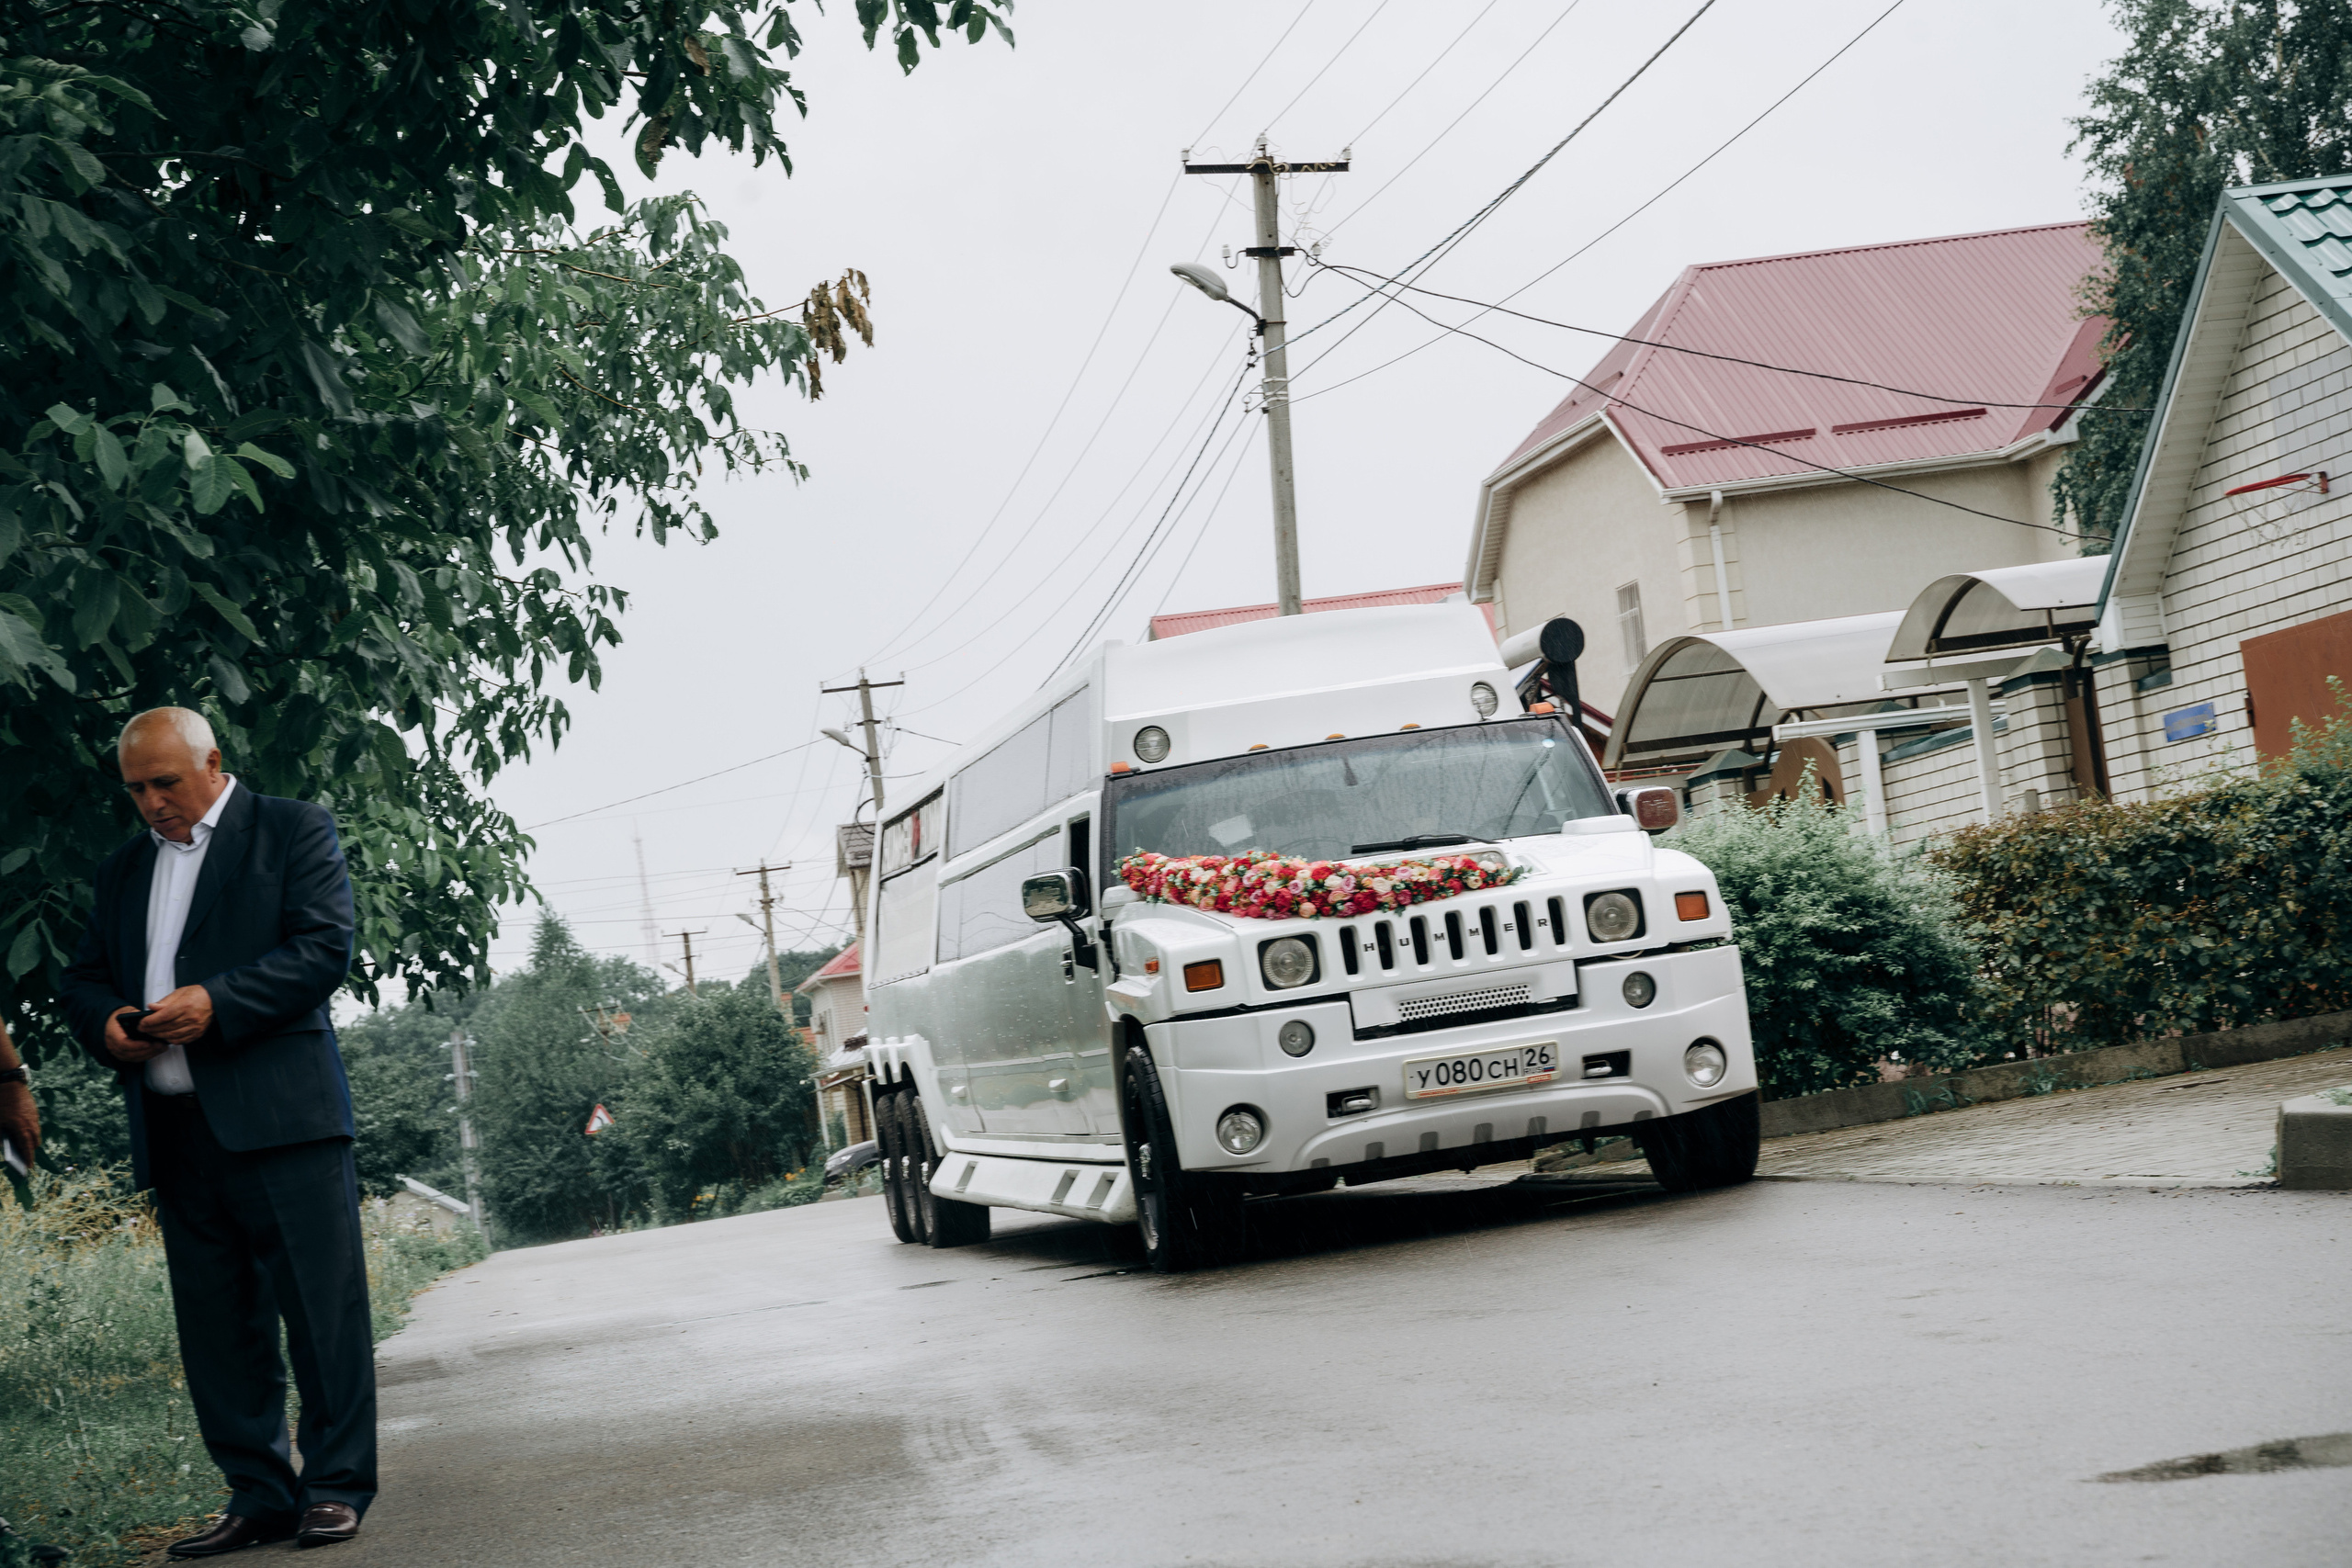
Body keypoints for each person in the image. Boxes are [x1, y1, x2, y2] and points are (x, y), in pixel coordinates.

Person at [60, 708, 373, 1555]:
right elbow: (82, 979)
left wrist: (219, 1002)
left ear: (213, 762)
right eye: (136, 789)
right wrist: (110, 1025)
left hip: (286, 1124)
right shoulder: (123, 869)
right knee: (217, 1327)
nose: (153, 803)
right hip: (176, 1128)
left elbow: (323, 949)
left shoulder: (292, 828)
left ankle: (335, 1486)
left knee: (321, 1312)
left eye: (166, 782)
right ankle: (258, 1493)